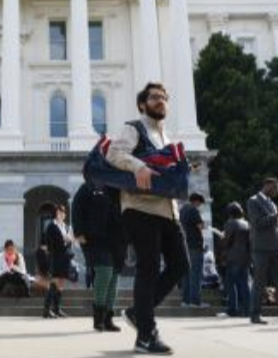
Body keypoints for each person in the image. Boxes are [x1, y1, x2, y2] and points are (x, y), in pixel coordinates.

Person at [106, 82, 189, 355]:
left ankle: (137, 312)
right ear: (143, 104)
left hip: (167, 209)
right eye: (154, 97)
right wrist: (138, 164)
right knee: (149, 268)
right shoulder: (134, 128)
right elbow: (114, 154)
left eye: (164, 97)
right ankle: (146, 335)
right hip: (139, 207)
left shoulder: (166, 138)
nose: (160, 101)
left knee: (180, 264)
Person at [72, 182, 125, 332]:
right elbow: (77, 207)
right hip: (96, 238)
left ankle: (108, 318)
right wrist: (79, 232)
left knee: (114, 276)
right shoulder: (90, 186)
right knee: (104, 272)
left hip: (118, 239)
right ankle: (99, 318)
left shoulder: (120, 183)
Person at [247, 177, 278, 325]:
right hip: (261, 248)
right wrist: (277, 215)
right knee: (259, 282)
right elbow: (257, 223)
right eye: (275, 188)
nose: (277, 191)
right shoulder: (253, 201)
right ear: (267, 186)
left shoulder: (272, 204)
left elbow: (275, 227)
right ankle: (255, 315)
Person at [219, 202, 251, 318]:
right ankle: (248, 310)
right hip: (245, 257)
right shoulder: (246, 223)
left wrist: (222, 237)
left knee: (230, 284)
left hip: (232, 257)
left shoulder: (230, 223)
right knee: (244, 284)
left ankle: (232, 309)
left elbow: (227, 242)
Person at [43, 204, 74, 319]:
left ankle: (57, 308)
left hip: (65, 257)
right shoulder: (51, 226)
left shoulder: (66, 227)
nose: (61, 214)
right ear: (56, 213)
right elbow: (49, 242)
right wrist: (63, 240)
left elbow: (70, 241)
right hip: (56, 256)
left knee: (61, 282)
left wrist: (68, 240)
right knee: (55, 281)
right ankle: (47, 309)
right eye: (59, 212)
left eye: (63, 213)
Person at [179, 193, 208, 308]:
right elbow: (200, 226)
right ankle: (195, 301)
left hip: (185, 245)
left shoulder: (182, 210)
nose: (199, 206)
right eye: (200, 203)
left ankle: (185, 301)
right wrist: (204, 225)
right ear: (196, 201)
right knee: (195, 274)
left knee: (186, 275)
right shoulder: (193, 210)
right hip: (195, 246)